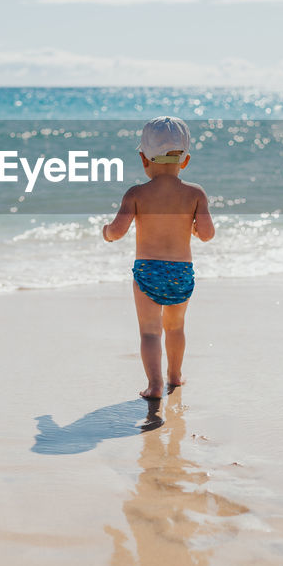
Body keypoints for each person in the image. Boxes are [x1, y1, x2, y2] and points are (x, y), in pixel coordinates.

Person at [102, 116, 215, 399]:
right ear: (185, 161)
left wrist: (106, 232)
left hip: (148, 271)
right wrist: (192, 228)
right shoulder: (196, 194)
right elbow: (207, 234)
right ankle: (174, 376)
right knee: (175, 327)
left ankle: (154, 386)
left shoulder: (136, 194)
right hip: (181, 272)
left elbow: (117, 231)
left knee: (150, 333)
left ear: (143, 159)